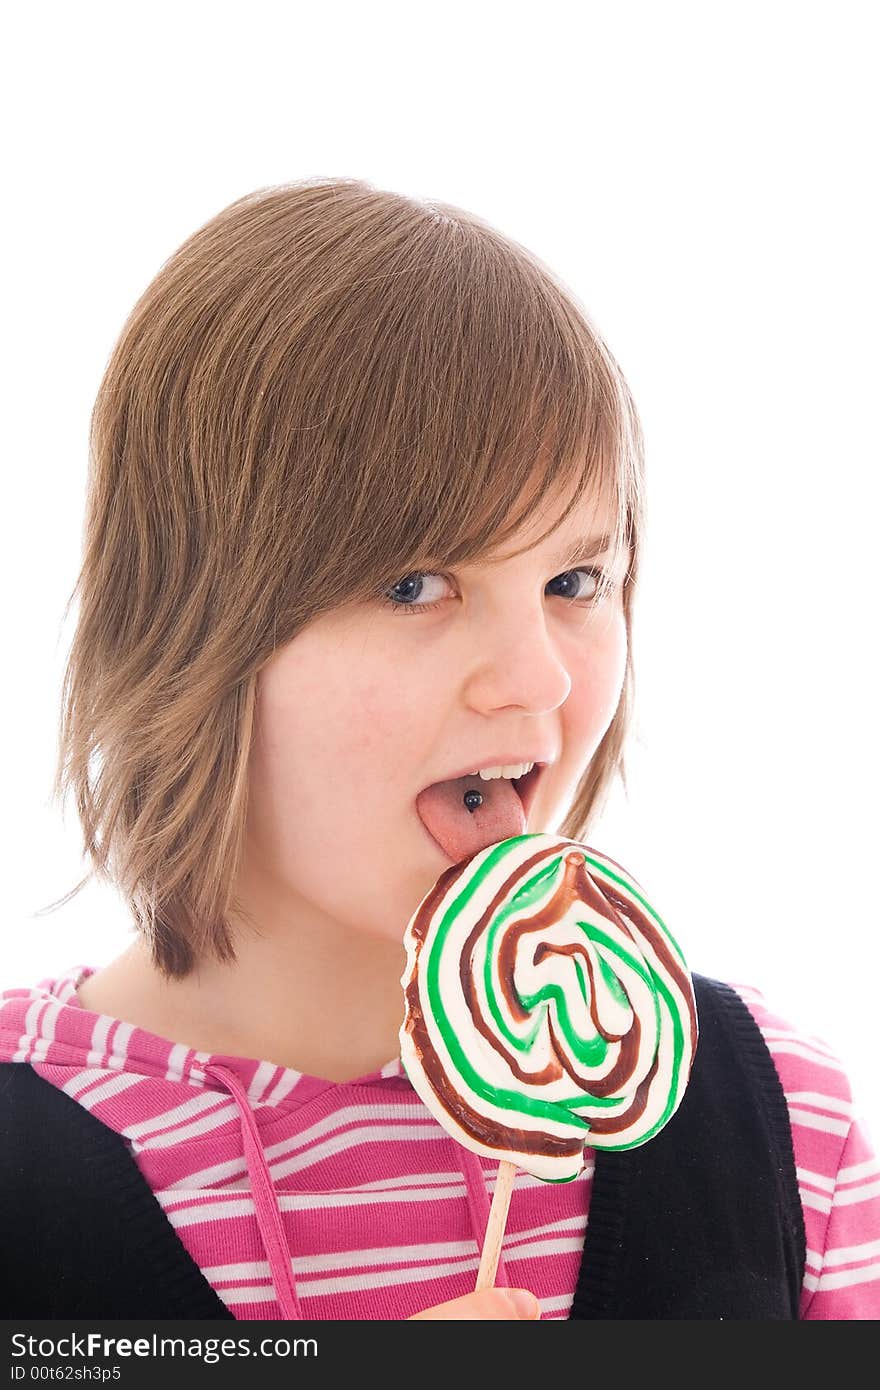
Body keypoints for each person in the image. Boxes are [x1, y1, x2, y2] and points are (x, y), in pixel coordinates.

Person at [1, 178, 877, 1321]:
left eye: (575, 581)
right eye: (416, 583)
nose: (540, 679)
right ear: (190, 624)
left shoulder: (778, 1135)